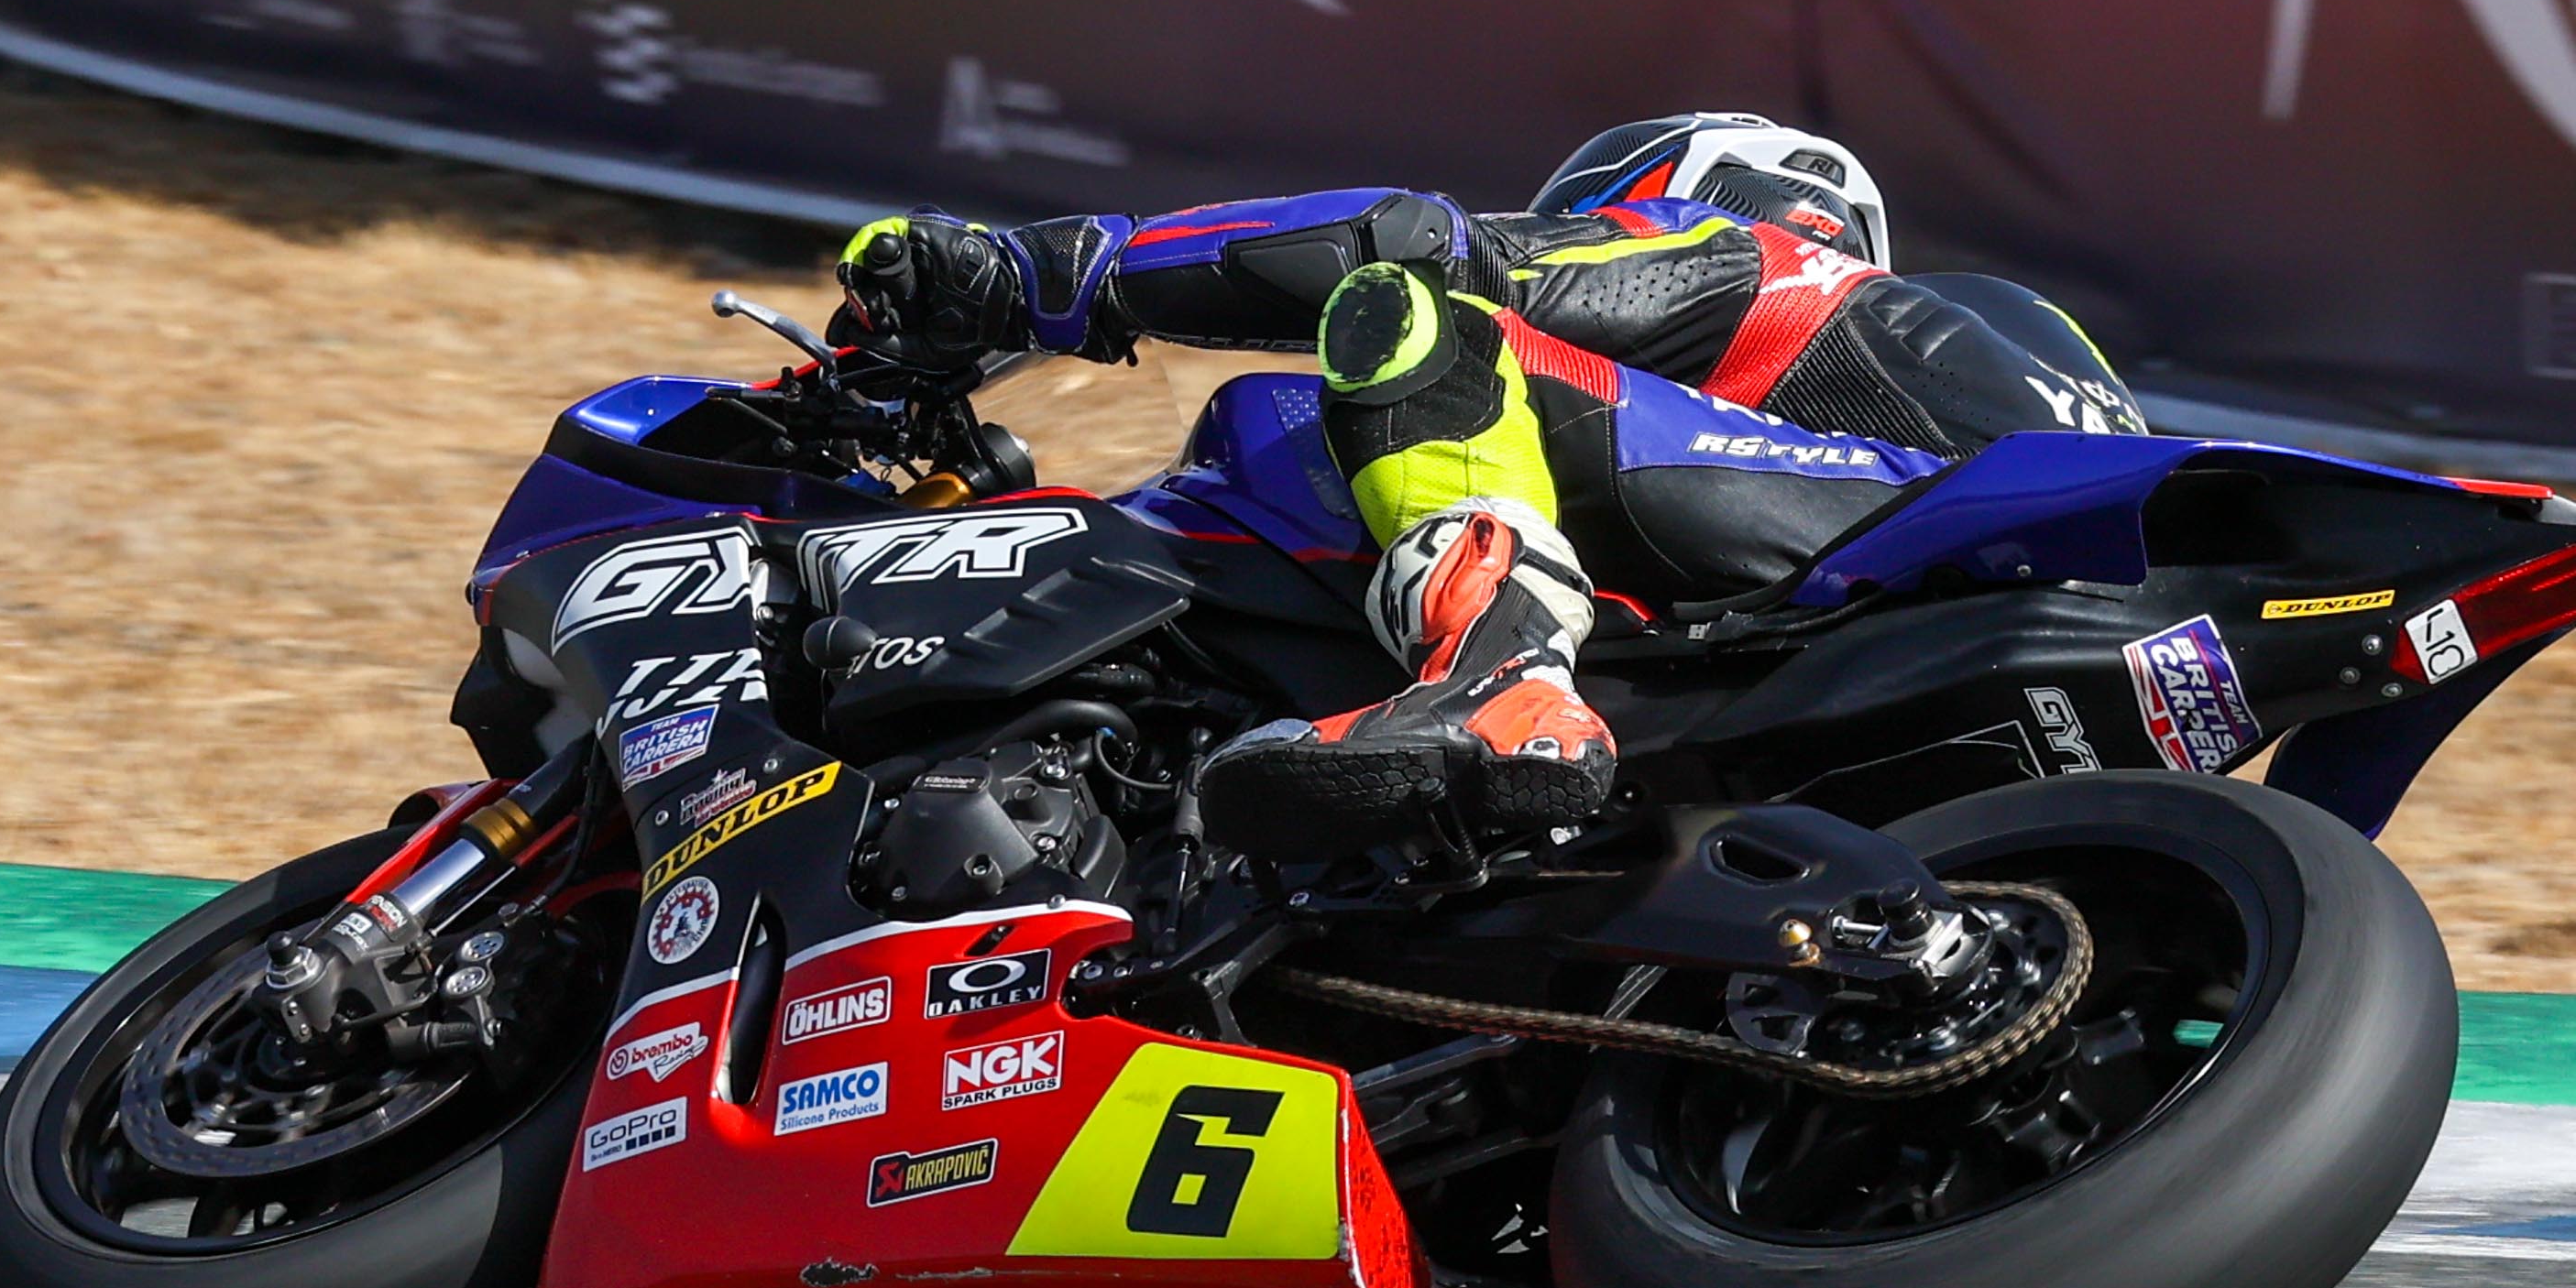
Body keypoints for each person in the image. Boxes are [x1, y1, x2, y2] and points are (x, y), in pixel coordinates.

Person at [832, 115, 2146, 859]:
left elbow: (1409, 241)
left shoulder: (1763, 266)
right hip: (1940, 674)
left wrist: (1044, 276)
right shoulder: (2038, 367)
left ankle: (1502, 679)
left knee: (1412, 312)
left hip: (1865, 532)